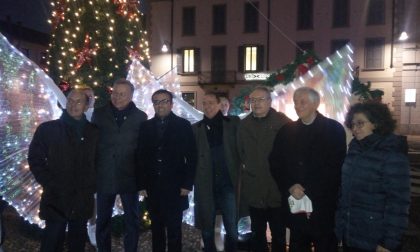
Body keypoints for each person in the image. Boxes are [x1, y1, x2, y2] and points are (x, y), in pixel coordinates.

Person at [269, 87, 347, 252]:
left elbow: (334, 167)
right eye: (296, 102)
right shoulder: (286, 131)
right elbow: (276, 163)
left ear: (316, 103)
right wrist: (290, 186)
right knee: (297, 244)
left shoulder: (334, 130)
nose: (298, 106)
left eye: (302, 101)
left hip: (323, 205)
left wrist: (307, 190)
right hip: (296, 204)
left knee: (325, 245)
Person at [28, 89, 99, 252]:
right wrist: (49, 182)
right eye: (70, 101)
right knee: (51, 242)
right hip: (56, 198)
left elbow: (98, 161)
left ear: (86, 106)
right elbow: (35, 158)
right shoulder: (48, 129)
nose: (73, 105)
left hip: (82, 199)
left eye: (78, 101)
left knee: (77, 244)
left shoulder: (94, 132)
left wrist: (91, 185)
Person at [335, 102, 410, 252]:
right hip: (351, 233)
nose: (355, 129)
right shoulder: (355, 149)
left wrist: (389, 241)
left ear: (376, 123)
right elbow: (345, 193)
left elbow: (398, 203)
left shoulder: (391, 153)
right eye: (352, 124)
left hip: (375, 237)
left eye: (360, 123)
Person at [137, 89, 197, 252]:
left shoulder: (183, 125)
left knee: (174, 230)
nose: (160, 105)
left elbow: (192, 156)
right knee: (156, 229)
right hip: (152, 187)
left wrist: (187, 184)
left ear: (171, 104)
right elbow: (140, 157)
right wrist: (141, 185)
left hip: (175, 187)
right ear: (153, 105)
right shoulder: (145, 126)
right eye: (156, 102)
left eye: (164, 101)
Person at [93, 79, 147, 252]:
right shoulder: (99, 114)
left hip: (129, 176)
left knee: (132, 220)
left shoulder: (141, 117)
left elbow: (143, 149)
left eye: (122, 94)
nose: (117, 97)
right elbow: (93, 144)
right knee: (102, 220)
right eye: (114, 93)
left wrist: (143, 179)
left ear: (131, 96)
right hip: (104, 174)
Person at [237, 86, 291, 252]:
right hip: (254, 189)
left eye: (261, 99)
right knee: (257, 233)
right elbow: (240, 152)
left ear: (269, 101)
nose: (256, 103)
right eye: (253, 100)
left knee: (278, 234)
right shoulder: (244, 125)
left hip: (277, 189)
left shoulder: (283, 122)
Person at [193, 92, 240, 252]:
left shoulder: (233, 123)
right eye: (204, 103)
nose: (207, 106)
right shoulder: (196, 129)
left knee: (232, 228)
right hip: (206, 185)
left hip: (228, 184)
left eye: (211, 103)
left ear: (220, 104)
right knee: (206, 229)